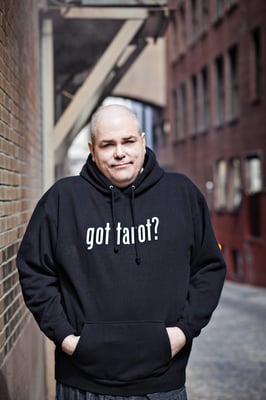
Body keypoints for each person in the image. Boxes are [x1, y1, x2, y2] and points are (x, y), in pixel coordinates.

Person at [17, 104, 226, 400]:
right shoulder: (63, 199)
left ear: (142, 140)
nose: (120, 152)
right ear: (92, 149)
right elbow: (34, 270)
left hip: (161, 384)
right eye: (108, 144)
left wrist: (181, 333)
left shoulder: (182, 195)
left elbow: (208, 269)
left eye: (128, 141)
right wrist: (65, 337)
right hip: (81, 384)